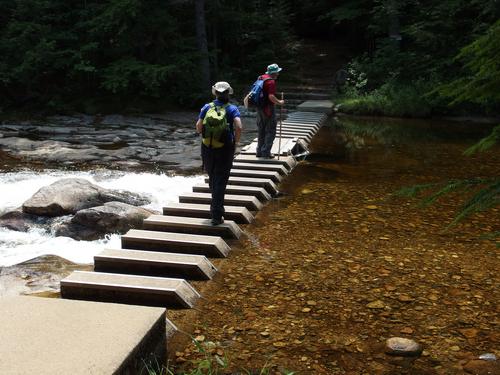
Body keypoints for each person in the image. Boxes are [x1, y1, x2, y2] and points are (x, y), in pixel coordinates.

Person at [196, 81, 242, 225]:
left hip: (208, 147)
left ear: (215, 92)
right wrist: (236, 142)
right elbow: (239, 126)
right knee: (221, 180)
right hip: (225, 148)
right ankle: (216, 215)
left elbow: (198, 127)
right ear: (228, 93)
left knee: (213, 177)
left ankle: (215, 206)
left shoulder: (206, 107)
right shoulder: (232, 108)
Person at [255, 63, 285, 159]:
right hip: (268, 108)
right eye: (277, 72)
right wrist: (279, 102)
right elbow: (271, 96)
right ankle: (266, 152)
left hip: (259, 108)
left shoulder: (261, 78)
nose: (278, 74)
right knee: (270, 130)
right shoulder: (271, 82)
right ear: (274, 73)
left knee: (261, 129)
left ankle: (259, 151)